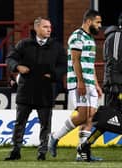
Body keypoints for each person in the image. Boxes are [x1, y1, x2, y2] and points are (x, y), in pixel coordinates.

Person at [4, 17, 67, 161]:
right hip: (26, 90)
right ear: (37, 28)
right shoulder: (24, 44)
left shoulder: (56, 47)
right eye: (45, 27)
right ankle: (15, 150)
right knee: (20, 123)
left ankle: (42, 152)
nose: (49, 29)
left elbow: (63, 65)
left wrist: (53, 75)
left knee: (45, 124)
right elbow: (10, 58)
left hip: (46, 91)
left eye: (50, 27)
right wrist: (17, 67)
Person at [48, 9, 102, 161]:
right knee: (83, 115)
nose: (100, 26)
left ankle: (82, 154)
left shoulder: (90, 38)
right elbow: (75, 61)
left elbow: (89, 65)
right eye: (98, 22)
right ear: (89, 21)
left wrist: (96, 84)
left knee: (90, 117)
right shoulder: (77, 36)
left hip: (90, 82)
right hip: (80, 82)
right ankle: (55, 137)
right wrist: (81, 82)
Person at [75, 12, 122, 161]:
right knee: (108, 119)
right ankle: (85, 145)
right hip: (117, 86)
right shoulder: (116, 36)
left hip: (117, 84)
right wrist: (115, 84)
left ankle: (85, 146)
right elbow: (114, 62)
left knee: (108, 121)